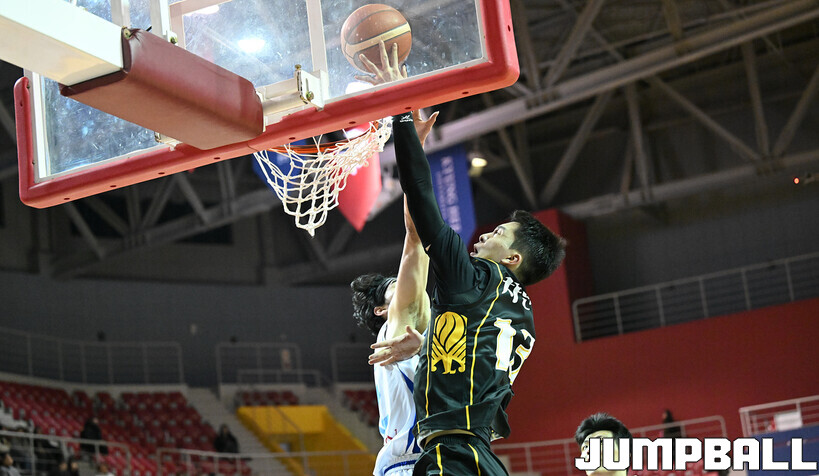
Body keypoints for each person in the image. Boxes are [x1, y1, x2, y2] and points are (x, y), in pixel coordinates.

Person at [362, 42, 567, 475]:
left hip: (447, 453)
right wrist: (428, 346)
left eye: (499, 234)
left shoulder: (475, 279)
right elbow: (479, 358)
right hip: (479, 454)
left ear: (512, 257)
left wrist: (401, 114)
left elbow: (422, 207)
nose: (487, 233)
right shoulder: (522, 315)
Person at [350, 110, 437, 476]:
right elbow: (416, 237)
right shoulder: (398, 327)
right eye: (393, 288)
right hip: (410, 465)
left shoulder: (422, 334)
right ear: (382, 310)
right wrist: (412, 146)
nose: (403, 287)